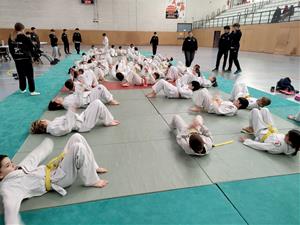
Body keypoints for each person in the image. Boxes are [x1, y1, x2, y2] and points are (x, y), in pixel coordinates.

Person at [0, 133, 108, 225]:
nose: (13, 165)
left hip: (54, 168)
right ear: (0, 175)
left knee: (76, 137)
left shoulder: (18, 169)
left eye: (11, 162)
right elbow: (10, 206)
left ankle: (94, 166)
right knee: (77, 147)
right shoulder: (9, 187)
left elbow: (33, 158)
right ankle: (92, 180)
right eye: (8, 165)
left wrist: (46, 145)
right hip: (58, 180)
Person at [31, 99, 120, 136]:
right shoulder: (52, 128)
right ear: (42, 123)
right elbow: (66, 129)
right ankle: (108, 121)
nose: (45, 119)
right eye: (43, 120)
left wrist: (71, 112)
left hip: (80, 119)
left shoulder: (52, 125)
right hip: (83, 125)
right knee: (97, 103)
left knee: (96, 103)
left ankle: (108, 120)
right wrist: (71, 112)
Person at [8, 22, 40, 96]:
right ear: (23, 29)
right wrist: (36, 56)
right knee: (30, 76)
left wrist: (15, 58)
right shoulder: (25, 37)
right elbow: (32, 48)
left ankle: (22, 89)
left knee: (21, 75)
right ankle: (32, 91)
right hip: (26, 59)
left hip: (18, 60)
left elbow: (11, 50)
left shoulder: (11, 37)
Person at [50, 83, 119, 110]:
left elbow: (75, 96)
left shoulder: (65, 99)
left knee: (99, 89)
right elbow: (79, 103)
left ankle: (108, 99)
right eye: (55, 100)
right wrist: (80, 91)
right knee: (100, 87)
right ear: (58, 105)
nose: (57, 98)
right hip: (88, 101)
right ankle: (110, 100)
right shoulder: (66, 104)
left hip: (86, 97)